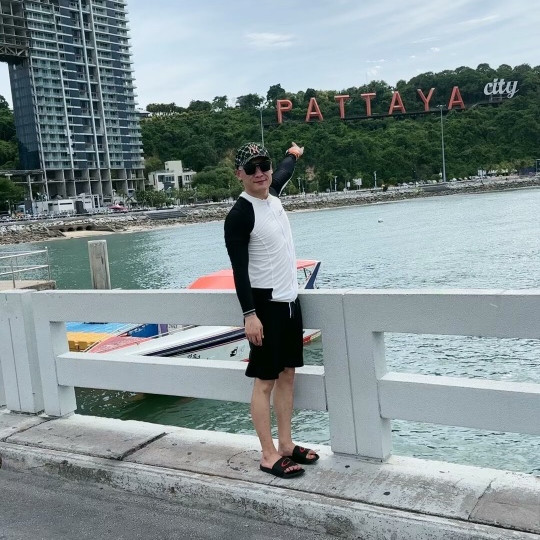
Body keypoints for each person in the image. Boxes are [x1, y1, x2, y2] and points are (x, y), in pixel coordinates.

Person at [224, 141, 319, 479]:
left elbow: (285, 170)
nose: (260, 173)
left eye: (263, 165)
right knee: (265, 381)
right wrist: (249, 314)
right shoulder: (240, 215)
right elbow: (239, 271)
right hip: (264, 308)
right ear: (239, 174)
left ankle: (286, 445)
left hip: (290, 302)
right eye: (251, 168)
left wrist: (293, 153)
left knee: (288, 374)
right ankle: (267, 455)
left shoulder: (274, 194)